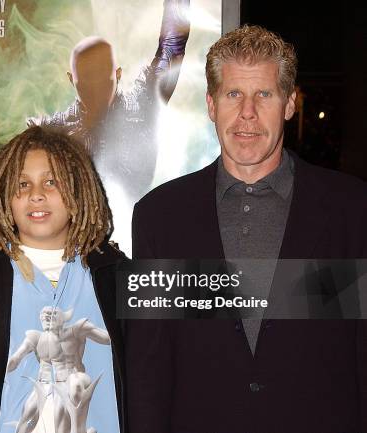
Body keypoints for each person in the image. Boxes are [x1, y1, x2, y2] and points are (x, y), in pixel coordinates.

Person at [127, 25, 367, 433]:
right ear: (210, 104)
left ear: (290, 104)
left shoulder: (353, 210)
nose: (248, 113)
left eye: (264, 95)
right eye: (233, 94)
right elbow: (148, 367)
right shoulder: (159, 217)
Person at [0, 126, 127, 433]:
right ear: (5, 195)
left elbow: (154, 374)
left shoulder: (116, 274)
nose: (36, 195)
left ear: (79, 190)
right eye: (22, 184)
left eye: (51, 182)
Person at [29, 0, 190, 210]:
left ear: (118, 74)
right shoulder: (52, 134)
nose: (95, 86)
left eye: (102, 75)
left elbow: (173, 44)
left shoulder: (144, 105)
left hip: (133, 228)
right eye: (86, 77)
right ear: (71, 79)